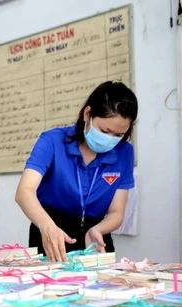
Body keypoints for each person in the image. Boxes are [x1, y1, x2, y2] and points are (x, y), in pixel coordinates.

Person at [15, 81, 138, 262]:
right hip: (52, 232)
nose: (110, 140)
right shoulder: (52, 141)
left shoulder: (124, 152)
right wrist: (46, 225)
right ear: (87, 114)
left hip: (96, 238)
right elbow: (24, 191)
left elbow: (116, 212)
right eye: (105, 131)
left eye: (118, 135)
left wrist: (99, 229)